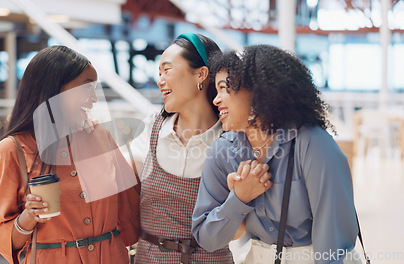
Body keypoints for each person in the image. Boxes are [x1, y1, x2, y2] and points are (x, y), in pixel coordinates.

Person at [192, 45, 361, 263]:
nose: (216, 100)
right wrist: (239, 198)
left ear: (259, 92)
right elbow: (207, 239)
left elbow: (333, 246)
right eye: (216, 91)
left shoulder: (312, 144)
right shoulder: (222, 151)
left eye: (225, 88)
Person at [0, 45, 140, 264]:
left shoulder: (99, 136)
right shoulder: (10, 151)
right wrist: (28, 218)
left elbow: (131, 205)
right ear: (54, 89)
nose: (95, 99)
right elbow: (1, 236)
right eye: (87, 88)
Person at [129, 33, 272, 264]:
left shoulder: (235, 142)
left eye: (167, 70)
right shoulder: (151, 132)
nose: (160, 80)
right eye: (159, 73)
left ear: (201, 74)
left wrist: (239, 198)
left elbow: (237, 231)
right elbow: (117, 190)